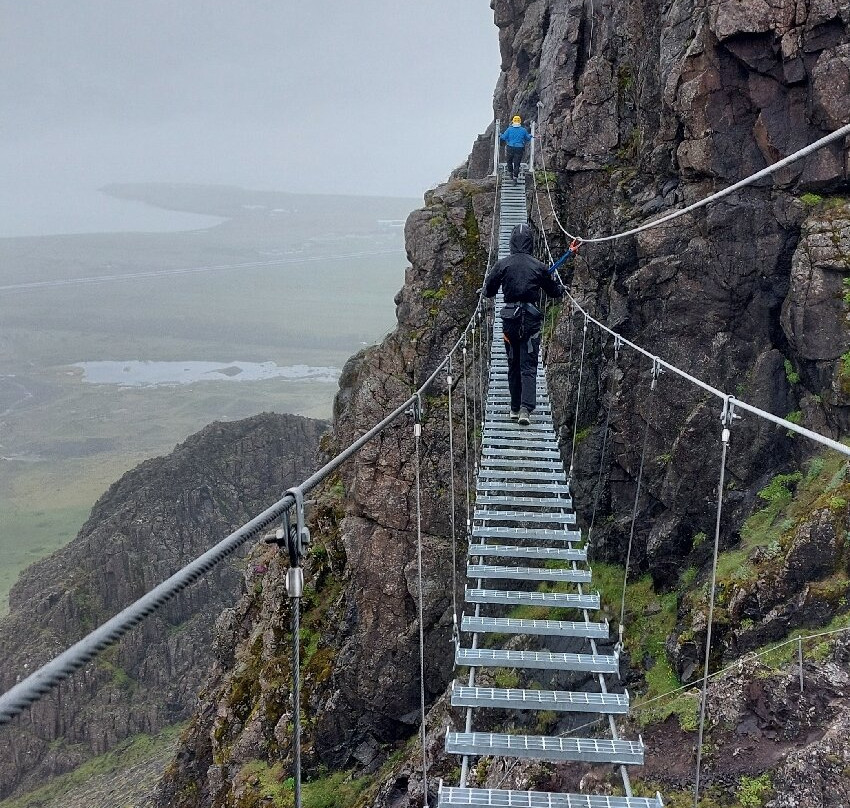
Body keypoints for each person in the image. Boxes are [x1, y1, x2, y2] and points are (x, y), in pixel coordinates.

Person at [484, 224, 580, 425]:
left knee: (513, 364)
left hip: (510, 321)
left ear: (511, 242)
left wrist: (483, 291)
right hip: (530, 321)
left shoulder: (502, 265)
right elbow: (553, 292)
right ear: (531, 243)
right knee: (528, 365)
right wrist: (561, 288)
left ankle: (513, 406)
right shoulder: (539, 266)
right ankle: (526, 410)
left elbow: (489, 291)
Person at [500, 115, 533, 182]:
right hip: (519, 148)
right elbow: (527, 138)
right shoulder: (523, 130)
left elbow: (503, 137)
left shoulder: (509, 129)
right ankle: (515, 177)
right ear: (520, 122)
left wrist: (500, 135)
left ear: (513, 121)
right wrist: (530, 135)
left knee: (509, 161)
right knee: (517, 163)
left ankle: (510, 172)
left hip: (510, 147)